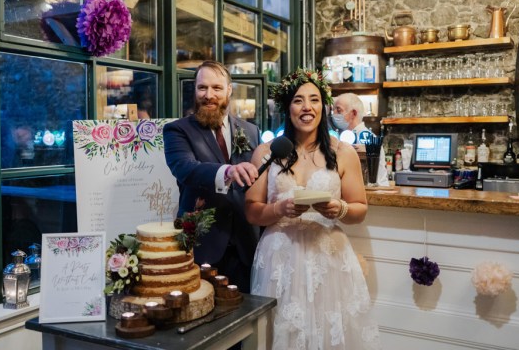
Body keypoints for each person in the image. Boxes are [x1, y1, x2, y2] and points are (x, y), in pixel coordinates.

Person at [246, 68, 381, 350]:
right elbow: (252, 211)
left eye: (314, 99)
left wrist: (338, 209)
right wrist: (279, 209)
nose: (307, 107)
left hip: (328, 259)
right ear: (288, 107)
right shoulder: (266, 152)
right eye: (298, 100)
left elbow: (360, 210)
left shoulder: (343, 153)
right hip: (279, 261)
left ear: (324, 106)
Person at [163, 60, 261, 293]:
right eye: (202, 88)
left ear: (229, 90)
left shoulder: (250, 131)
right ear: (194, 90)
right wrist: (227, 171)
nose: (209, 95)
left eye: (216, 88)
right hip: (202, 245)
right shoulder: (177, 130)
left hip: (246, 245)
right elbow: (185, 168)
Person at [332, 93, 389, 186]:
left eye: (338, 110)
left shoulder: (369, 139)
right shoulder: (339, 137)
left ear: (353, 113)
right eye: (333, 110)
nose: (333, 114)